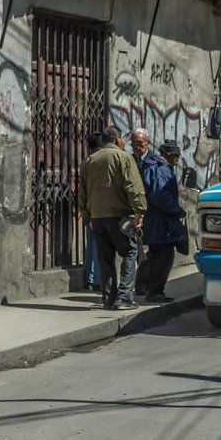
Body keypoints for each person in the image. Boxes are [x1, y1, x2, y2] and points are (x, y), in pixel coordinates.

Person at [78, 125, 147, 310]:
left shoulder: (90, 160)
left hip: (97, 217)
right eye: (123, 139)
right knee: (130, 252)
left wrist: (87, 215)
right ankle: (124, 296)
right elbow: (133, 186)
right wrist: (139, 211)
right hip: (118, 216)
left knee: (105, 258)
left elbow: (82, 191)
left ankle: (108, 298)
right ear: (117, 139)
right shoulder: (123, 157)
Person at [132, 131, 186, 304]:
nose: (177, 159)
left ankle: (143, 286)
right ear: (168, 155)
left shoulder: (155, 166)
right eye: (176, 156)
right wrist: (177, 210)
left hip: (155, 220)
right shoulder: (161, 169)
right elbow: (160, 195)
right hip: (161, 222)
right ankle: (155, 291)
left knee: (153, 254)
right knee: (163, 256)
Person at [82, 132, 104, 291]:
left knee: (91, 243)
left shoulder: (86, 162)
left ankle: (90, 276)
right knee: (99, 244)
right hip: (99, 208)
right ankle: (96, 278)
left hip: (89, 207)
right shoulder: (98, 162)